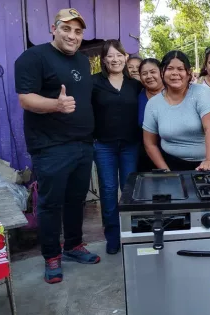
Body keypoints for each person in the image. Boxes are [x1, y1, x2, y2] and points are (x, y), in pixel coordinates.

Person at [14, 8, 100, 284]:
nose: (72, 36)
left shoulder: (83, 61)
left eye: (78, 31)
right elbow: (26, 99)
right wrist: (56, 105)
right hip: (51, 147)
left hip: (83, 144)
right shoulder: (33, 57)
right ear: (53, 29)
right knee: (50, 204)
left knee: (77, 200)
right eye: (66, 29)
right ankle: (52, 255)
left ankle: (74, 246)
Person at [91, 40, 143, 255]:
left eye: (119, 55)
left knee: (130, 191)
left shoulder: (135, 84)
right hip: (104, 146)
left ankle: (131, 235)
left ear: (125, 57)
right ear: (103, 60)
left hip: (131, 145)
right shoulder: (94, 82)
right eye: (110, 56)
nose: (115, 59)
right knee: (109, 191)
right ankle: (112, 237)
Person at [142, 50, 210, 171]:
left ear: (188, 73)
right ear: (162, 72)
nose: (175, 73)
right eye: (170, 68)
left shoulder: (202, 93)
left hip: (208, 162)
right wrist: (165, 171)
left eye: (180, 69)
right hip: (172, 162)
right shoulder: (153, 104)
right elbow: (150, 143)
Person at [137, 58, 164, 172]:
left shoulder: (175, 93)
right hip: (144, 155)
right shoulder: (137, 95)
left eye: (153, 72)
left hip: (172, 154)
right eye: (144, 73)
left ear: (162, 73)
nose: (149, 76)